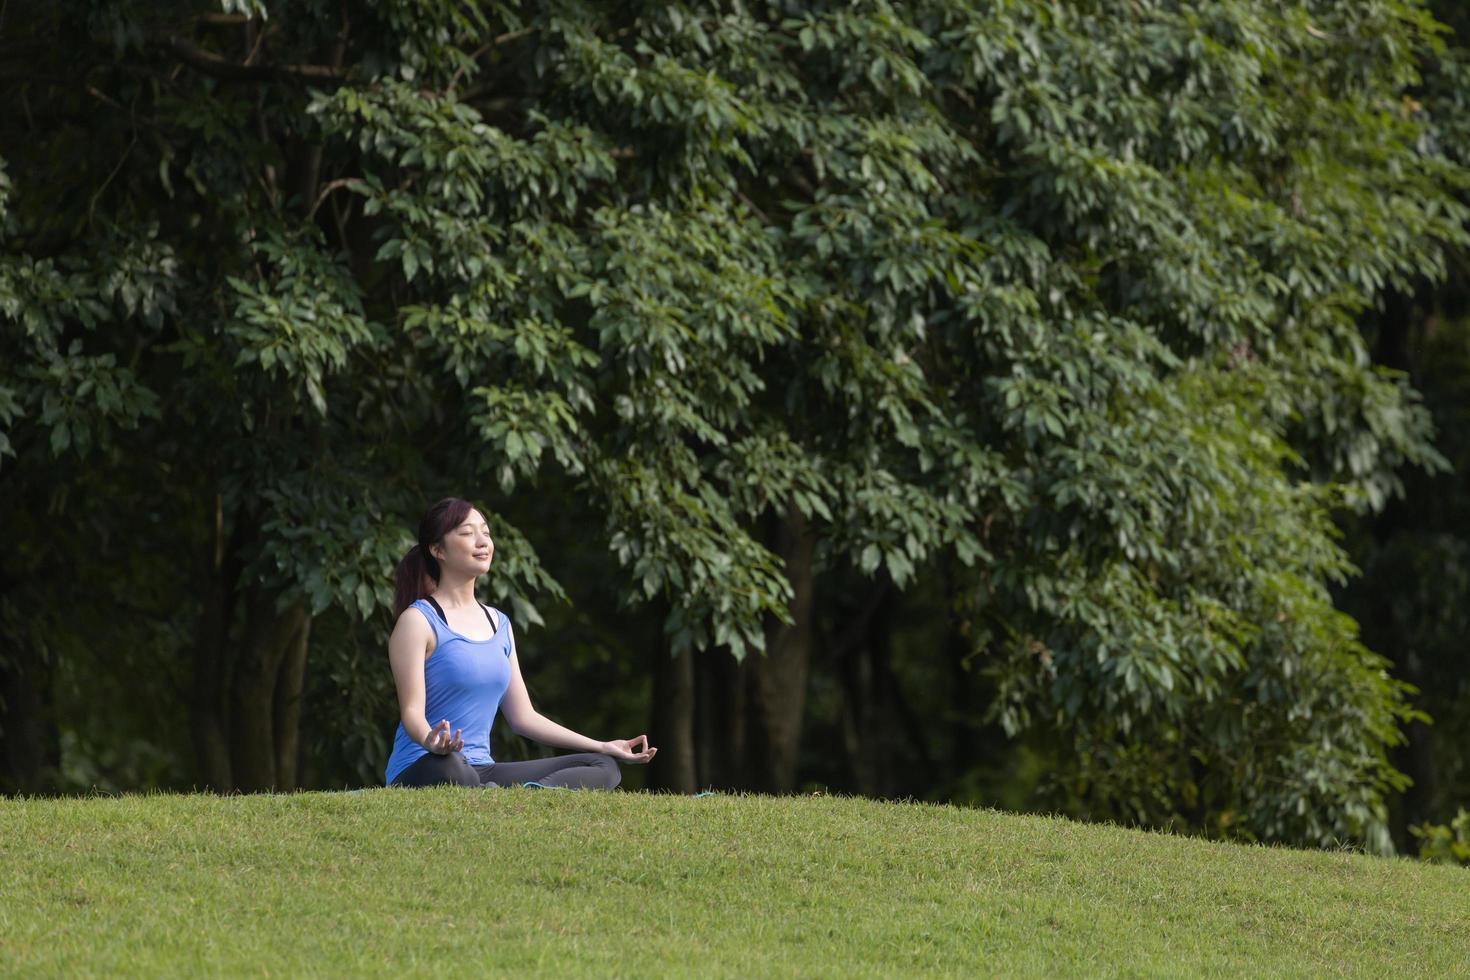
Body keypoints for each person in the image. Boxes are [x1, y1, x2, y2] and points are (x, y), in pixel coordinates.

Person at [384, 497, 657, 789]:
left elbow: (523, 717)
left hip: (480, 771)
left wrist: (602, 745)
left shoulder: (499, 624)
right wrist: (431, 740)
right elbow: (412, 711)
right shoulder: (418, 621)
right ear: (437, 549)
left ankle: (520, 798)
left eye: (486, 533)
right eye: (466, 533)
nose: (482, 541)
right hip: (426, 764)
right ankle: (487, 796)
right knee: (454, 766)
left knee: (602, 766)